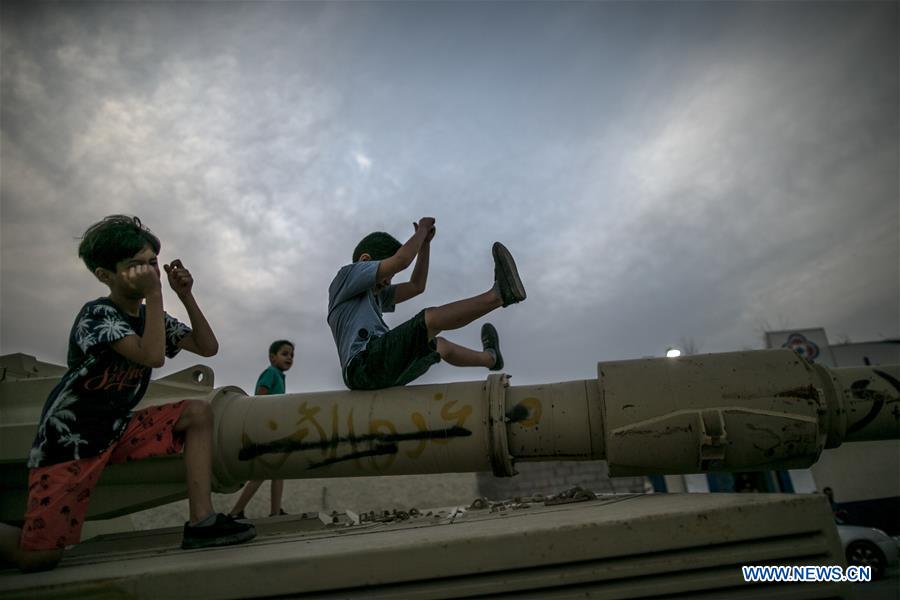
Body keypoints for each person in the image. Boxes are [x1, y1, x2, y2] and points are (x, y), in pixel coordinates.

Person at [0, 215, 255, 572]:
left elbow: (207, 347)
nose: (149, 271)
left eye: (152, 263)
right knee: (39, 556)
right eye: (135, 266)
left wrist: (186, 295)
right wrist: (156, 293)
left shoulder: (154, 316)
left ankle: (202, 522)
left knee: (197, 412)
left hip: (117, 429)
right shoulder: (97, 315)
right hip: (69, 442)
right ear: (106, 275)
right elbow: (151, 355)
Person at [327, 217, 526, 390]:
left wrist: (425, 246)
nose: (389, 280)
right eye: (388, 273)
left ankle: (491, 358)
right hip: (362, 365)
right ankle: (498, 295)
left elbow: (416, 286)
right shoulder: (347, 276)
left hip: (384, 366)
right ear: (365, 261)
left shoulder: (376, 294)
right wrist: (421, 230)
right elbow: (402, 260)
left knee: (440, 346)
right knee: (429, 319)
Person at [229, 340, 294, 519]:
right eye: (285, 353)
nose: (289, 357)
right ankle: (236, 511)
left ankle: (275, 511)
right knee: (263, 471)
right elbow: (260, 396)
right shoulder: (271, 373)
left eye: (291, 355)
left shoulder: (280, 376)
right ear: (272, 357)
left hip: (273, 429)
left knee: (279, 471)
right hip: (265, 428)